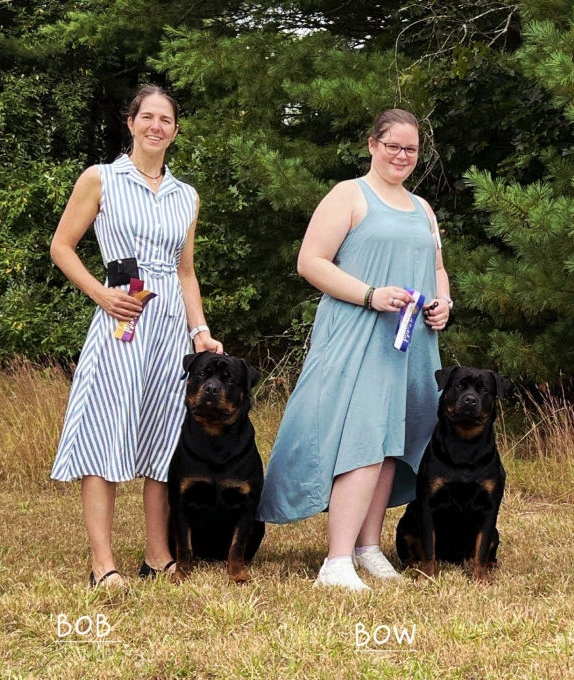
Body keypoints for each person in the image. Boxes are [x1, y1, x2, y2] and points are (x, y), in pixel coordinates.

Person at [257, 109, 451, 591]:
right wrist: (370, 294)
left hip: (410, 342)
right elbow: (310, 261)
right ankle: (336, 561)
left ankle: (368, 548)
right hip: (359, 331)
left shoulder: (423, 208)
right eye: (393, 146)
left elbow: (438, 269)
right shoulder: (348, 194)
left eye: (410, 149)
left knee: (393, 443)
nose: (401, 156)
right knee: (363, 440)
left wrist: (444, 301)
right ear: (372, 144)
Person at [50, 85, 223, 587]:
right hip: (120, 321)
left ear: (175, 129)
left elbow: (185, 272)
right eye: (147, 116)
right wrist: (101, 296)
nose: (156, 126)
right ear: (131, 123)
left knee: (163, 440)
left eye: (165, 119)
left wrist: (201, 332)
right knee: (104, 432)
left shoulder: (185, 195)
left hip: (169, 329)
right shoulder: (100, 178)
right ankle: (103, 563)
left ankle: (156, 554)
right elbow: (62, 247)